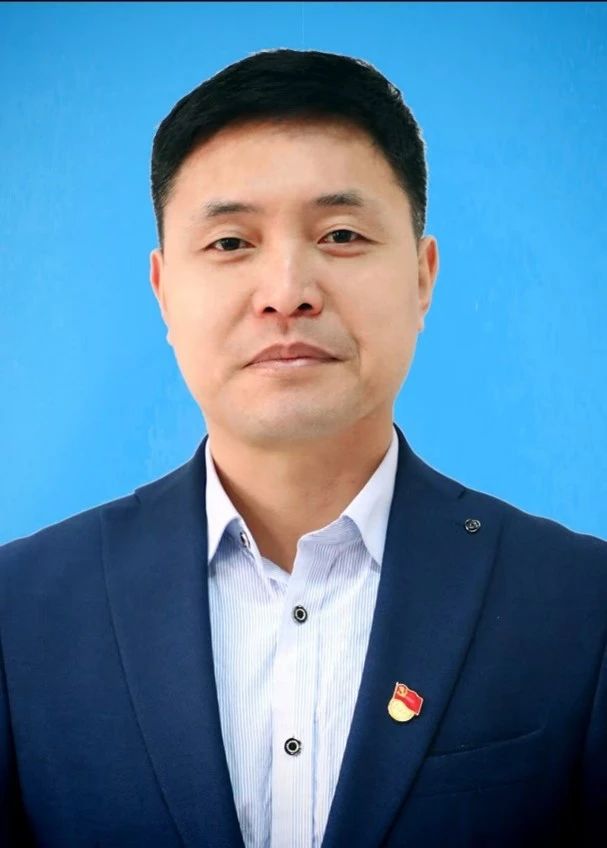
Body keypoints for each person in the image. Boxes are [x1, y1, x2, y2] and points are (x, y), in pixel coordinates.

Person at [0, 48, 605, 848]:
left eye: (341, 234)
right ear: (163, 290)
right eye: (230, 243)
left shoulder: (580, 605)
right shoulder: (20, 612)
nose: (287, 292)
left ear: (422, 275)